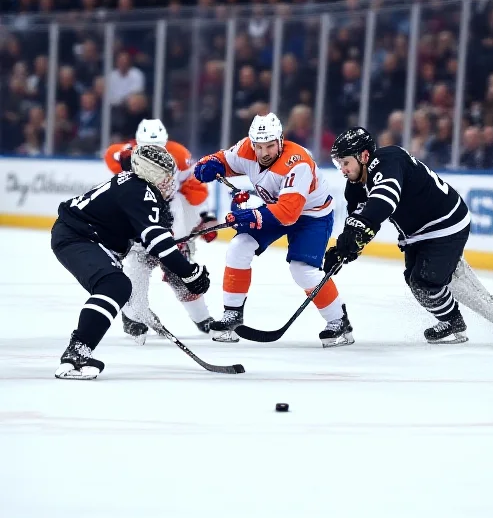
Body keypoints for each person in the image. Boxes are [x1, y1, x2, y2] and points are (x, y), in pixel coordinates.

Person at [326, 127, 493, 347]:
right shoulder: (354, 187)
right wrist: (343, 249)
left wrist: (356, 234)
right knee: (417, 282)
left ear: (364, 156)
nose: (342, 170)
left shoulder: (389, 160)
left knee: (426, 280)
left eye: (345, 162)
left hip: (447, 223)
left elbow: (383, 202)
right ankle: (452, 322)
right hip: (417, 234)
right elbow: (359, 223)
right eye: (338, 164)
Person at [51, 145, 211, 379]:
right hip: (78, 237)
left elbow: (148, 235)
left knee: (117, 287)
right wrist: (189, 273)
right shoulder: (140, 191)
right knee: (115, 286)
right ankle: (77, 353)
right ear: (151, 173)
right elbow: (158, 241)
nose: (170, 183)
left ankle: (82, 348)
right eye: (165, 178)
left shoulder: (133, 185)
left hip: (82, 237)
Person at [193, 112, 353, 347]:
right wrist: (210, 165)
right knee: (239, 246)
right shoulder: (247, 148)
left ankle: (339, 322)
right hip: (278, 207)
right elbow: (223, 160)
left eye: (270, 146)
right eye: (259, 147)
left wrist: (250, 215)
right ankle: (232, 315)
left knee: (302, 270)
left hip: (312, 216)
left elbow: (289, 213)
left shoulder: (297, 162)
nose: (264, 152)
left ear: (280, 141)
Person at [104, 118, 216, 338]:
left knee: (180, 269)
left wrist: (206, 216)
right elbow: (112, 159)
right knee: (137, 267)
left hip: (170, 215)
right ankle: (133, 315)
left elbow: (193, 186)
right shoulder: (125, 155)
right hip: (138, 215)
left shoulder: (179, 155)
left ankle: (202, 318)